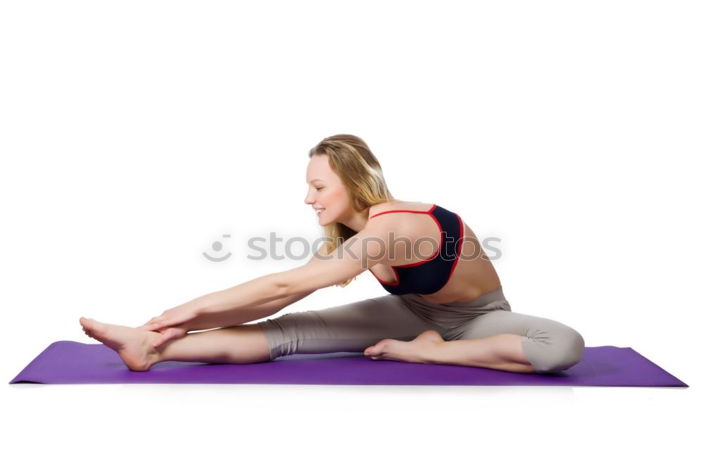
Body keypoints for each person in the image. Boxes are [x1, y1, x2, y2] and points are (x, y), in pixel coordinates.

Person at [80, 134, 585, 374]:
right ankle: (149, 349)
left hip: (477, 323)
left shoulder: (396, 227)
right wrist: (166, 330)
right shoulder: (357, 235)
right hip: (413, 312)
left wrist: (181, 312)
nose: (309, 198)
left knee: (562, 346)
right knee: (288, 333)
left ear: (353, 181)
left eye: (319, 185)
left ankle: (430, 351)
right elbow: (276, 301)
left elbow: (283, 286)